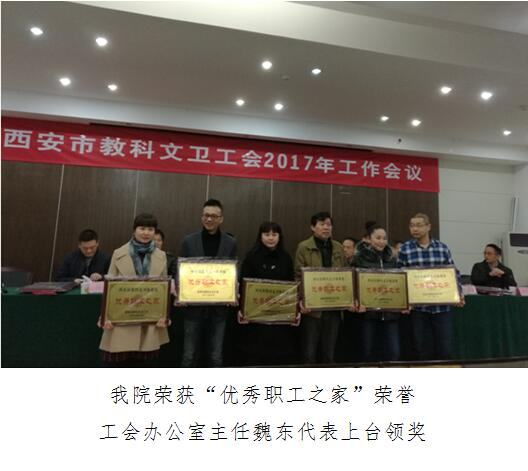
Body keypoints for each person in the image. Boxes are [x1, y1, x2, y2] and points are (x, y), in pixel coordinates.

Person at [98, 213, 169, 366]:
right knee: (120, 365)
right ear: (134, 230)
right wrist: (104, 316)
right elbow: (109, 288)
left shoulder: (161, 256)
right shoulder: (118, 253)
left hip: (148, 318)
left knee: (143, 365)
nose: (146, 233)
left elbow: (163, 289)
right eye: (142, 228)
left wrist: (164, 315)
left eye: (150, 229)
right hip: (122, 318)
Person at [397, 213, 464, 361]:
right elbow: (399, 277)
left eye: (419, 225)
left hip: (442, 307)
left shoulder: (442, 248)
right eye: (412, 225)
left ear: (428, 227)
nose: (415, 229)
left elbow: (453, 272)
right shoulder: (405, 249)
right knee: (420, 348)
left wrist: (458, 293)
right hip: (418, 308)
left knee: (444, 348)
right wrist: (403, 301)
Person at [179, 199, 237, 367]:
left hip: (219, 310)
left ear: (221, 219)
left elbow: (234, 271)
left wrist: (234, 291)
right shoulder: (189, 241)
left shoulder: (230, 242)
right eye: (206, 215)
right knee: (189, 355)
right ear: (201, 217)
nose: (209, 219)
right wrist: (181, 292)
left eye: (213, 216)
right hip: (193, 308)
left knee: (215, 355)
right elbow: (180, 270)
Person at [236, 221, 296, 366]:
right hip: (255, 316)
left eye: (274, 234)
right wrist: (242, 309)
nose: (270, 238)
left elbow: (291, 286)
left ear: (279, 237)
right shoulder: (251, 257)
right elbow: (243, 284)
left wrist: (293, 310)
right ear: (260, 236)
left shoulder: (286, 258)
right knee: (255, 353)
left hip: (279, 315)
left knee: (278, 354)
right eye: (266, 234)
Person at [294, 211, 346, 364]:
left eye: (329, 224)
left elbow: (345, 274)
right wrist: (301, 300)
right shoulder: (304, 247)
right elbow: (298, 276)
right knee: (309, 353)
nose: (326, 228)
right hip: (312, 309)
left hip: (334, 307)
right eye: (322, 224)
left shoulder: (338, 247)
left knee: (329, 354)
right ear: (313, 227)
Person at [353, 224, 403, 362]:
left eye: (384, 238)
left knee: (394, 352)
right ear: (369, 239)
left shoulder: (392, 258)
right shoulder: (359, 258)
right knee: (368, 352)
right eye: (378, 238)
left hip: (390, 313)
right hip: (368, 313)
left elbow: (399, 283)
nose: (381, 241)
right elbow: (353, 283)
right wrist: (357, 300)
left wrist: (402, 302)